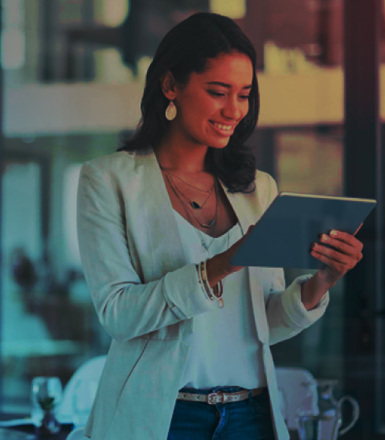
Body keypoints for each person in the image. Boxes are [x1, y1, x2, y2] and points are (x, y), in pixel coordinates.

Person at [77, 12, 364, 440]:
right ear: (170, 85)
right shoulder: (109, 180)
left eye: (244, 94)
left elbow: (266, 322)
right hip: (165, 418)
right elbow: (118, 314)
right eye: (218, 91)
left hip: (251, 416)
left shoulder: (256, 190)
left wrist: (323, 279)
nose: (234, 109)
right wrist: (218, 266)